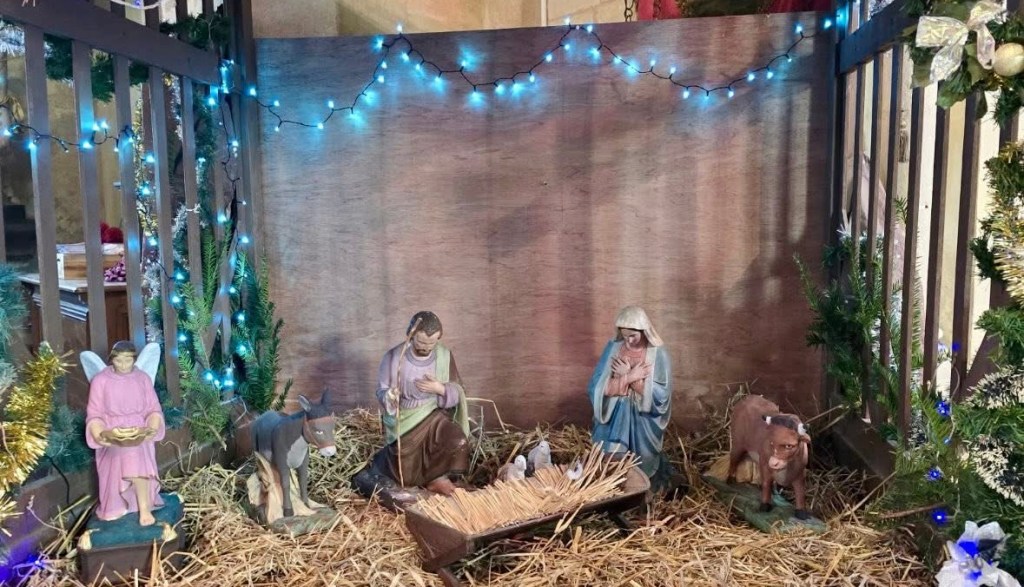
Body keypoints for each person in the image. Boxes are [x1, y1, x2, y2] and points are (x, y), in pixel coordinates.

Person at [353, 311, 471, 497]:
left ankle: (438, 478)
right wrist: (390, 396)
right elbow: (382, 390)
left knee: (457, 440)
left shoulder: (444, 356)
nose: (426, 347)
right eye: (421, 342)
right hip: (405, 418)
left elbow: (459, 389)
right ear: (410, 335)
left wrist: (440, 389)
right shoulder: (394, 358)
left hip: (434, 413)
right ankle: (409, 481)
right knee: (404, 473)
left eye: (431, 343)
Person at [588, 306, 683, 495]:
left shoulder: (658, 354)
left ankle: (642, 489)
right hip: (613, 416)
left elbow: (662, 396)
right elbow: (595, 387)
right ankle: (610, 488)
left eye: (633, 336)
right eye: (625, 336)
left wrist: (633, 382)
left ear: (644, 331)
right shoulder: (613, 348)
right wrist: (630, 377)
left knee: (642, 460)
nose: (629, 341)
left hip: (643, 421)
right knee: (609, 455)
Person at [85, 341, 166, 526]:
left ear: (134, 359)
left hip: (139, 432)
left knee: (136, 455)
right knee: (122, 456)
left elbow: (154, 409)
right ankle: (116, 505)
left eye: (128, 360)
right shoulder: (101, 380)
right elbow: (94, 413)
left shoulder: (142, 378)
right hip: (113, 433)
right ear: (112, 359)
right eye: (119, 360)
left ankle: (144, 508)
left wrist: (151, 428)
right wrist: (99, 434)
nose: (123, 365)